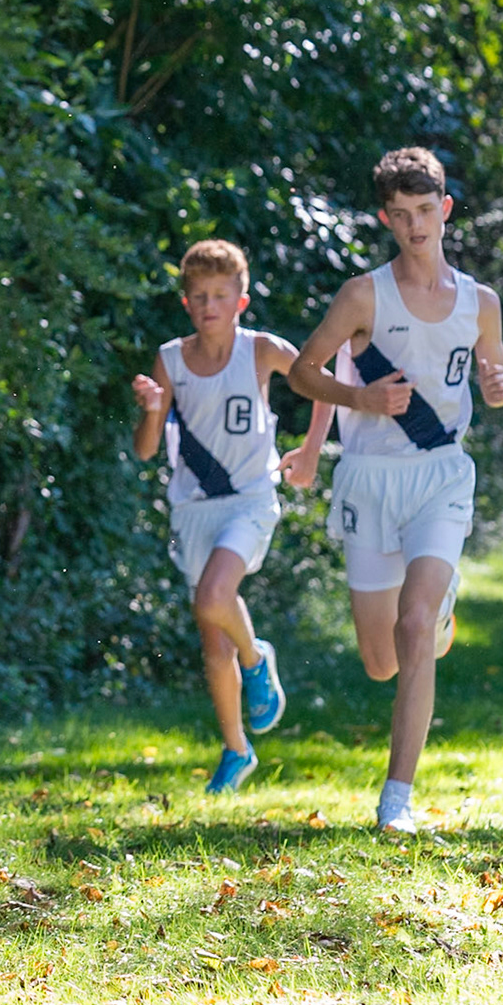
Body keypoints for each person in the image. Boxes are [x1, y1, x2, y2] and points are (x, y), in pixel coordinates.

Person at [286, 147, 503, 833]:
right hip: (368, 479)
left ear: (445, 210)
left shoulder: (480, 303)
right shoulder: (363, 296)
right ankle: (435, 617)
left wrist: (500, 387)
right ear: (386, 219)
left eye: (425, 211)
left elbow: (495, 382)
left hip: (441, 474)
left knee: (412, 626)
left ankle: (396, 802)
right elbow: (302, 371)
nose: (416, 226)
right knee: (381, 659)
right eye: (401, 214)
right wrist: (360, 398)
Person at [132, 240, 334, 793]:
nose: (210, 306)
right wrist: (153, 410)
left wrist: (311, 450)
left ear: (241, 301)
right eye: (199, 296)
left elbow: (320, 383)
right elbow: (146, 449)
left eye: (221, 295)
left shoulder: (261, 349)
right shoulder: (171, 359)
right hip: (192, 510)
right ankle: (236, 749)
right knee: (213, 639)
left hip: (249, 499)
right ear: (186, 303)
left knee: (212, 597)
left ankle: (256, 659)